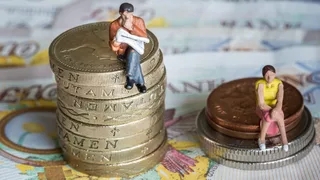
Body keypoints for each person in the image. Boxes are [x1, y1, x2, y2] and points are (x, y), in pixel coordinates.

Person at [109, 2, 147, 93]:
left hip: (137, 46)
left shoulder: (139, 21)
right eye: (126, 14)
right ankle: (140, 84)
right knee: (134, 58)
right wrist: (116, 42)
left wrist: (132, 28)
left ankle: (130, 78)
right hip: (123, 51)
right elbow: (113, 47)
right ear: (121, 13)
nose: (128, 17)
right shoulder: (114, 25)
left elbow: (144, 37)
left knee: (133, 52)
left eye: (130, 14)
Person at [255, 65, 288, 152]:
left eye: (272, 75)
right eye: (267, 75)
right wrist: (273, 111)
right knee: (270, 116)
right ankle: (284, 141)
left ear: (275, 74)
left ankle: (262, 139)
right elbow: (261, 103)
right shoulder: (260, 84)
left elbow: (280, 99)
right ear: (263, 76)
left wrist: (277, 108)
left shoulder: (279, 83)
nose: (269, 78)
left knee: (275, 115)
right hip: (262, 108)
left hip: (275, 107)